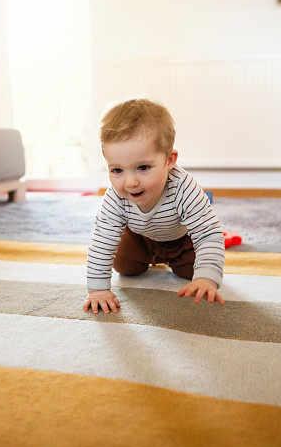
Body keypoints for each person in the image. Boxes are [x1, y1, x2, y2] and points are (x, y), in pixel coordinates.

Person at [84, 98, 226, 314]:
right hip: (139, 239)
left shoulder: (184, 188)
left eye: (143, 167)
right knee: (124, 267)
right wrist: (97, 290)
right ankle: (147, 259)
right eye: (117, 170)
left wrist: (206, 278)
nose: (130, 182)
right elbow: (102, 239)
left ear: (170, 160)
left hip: (181, 241)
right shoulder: (116, 196)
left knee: (194, 273)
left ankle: (178, 263)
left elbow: (208, 234)